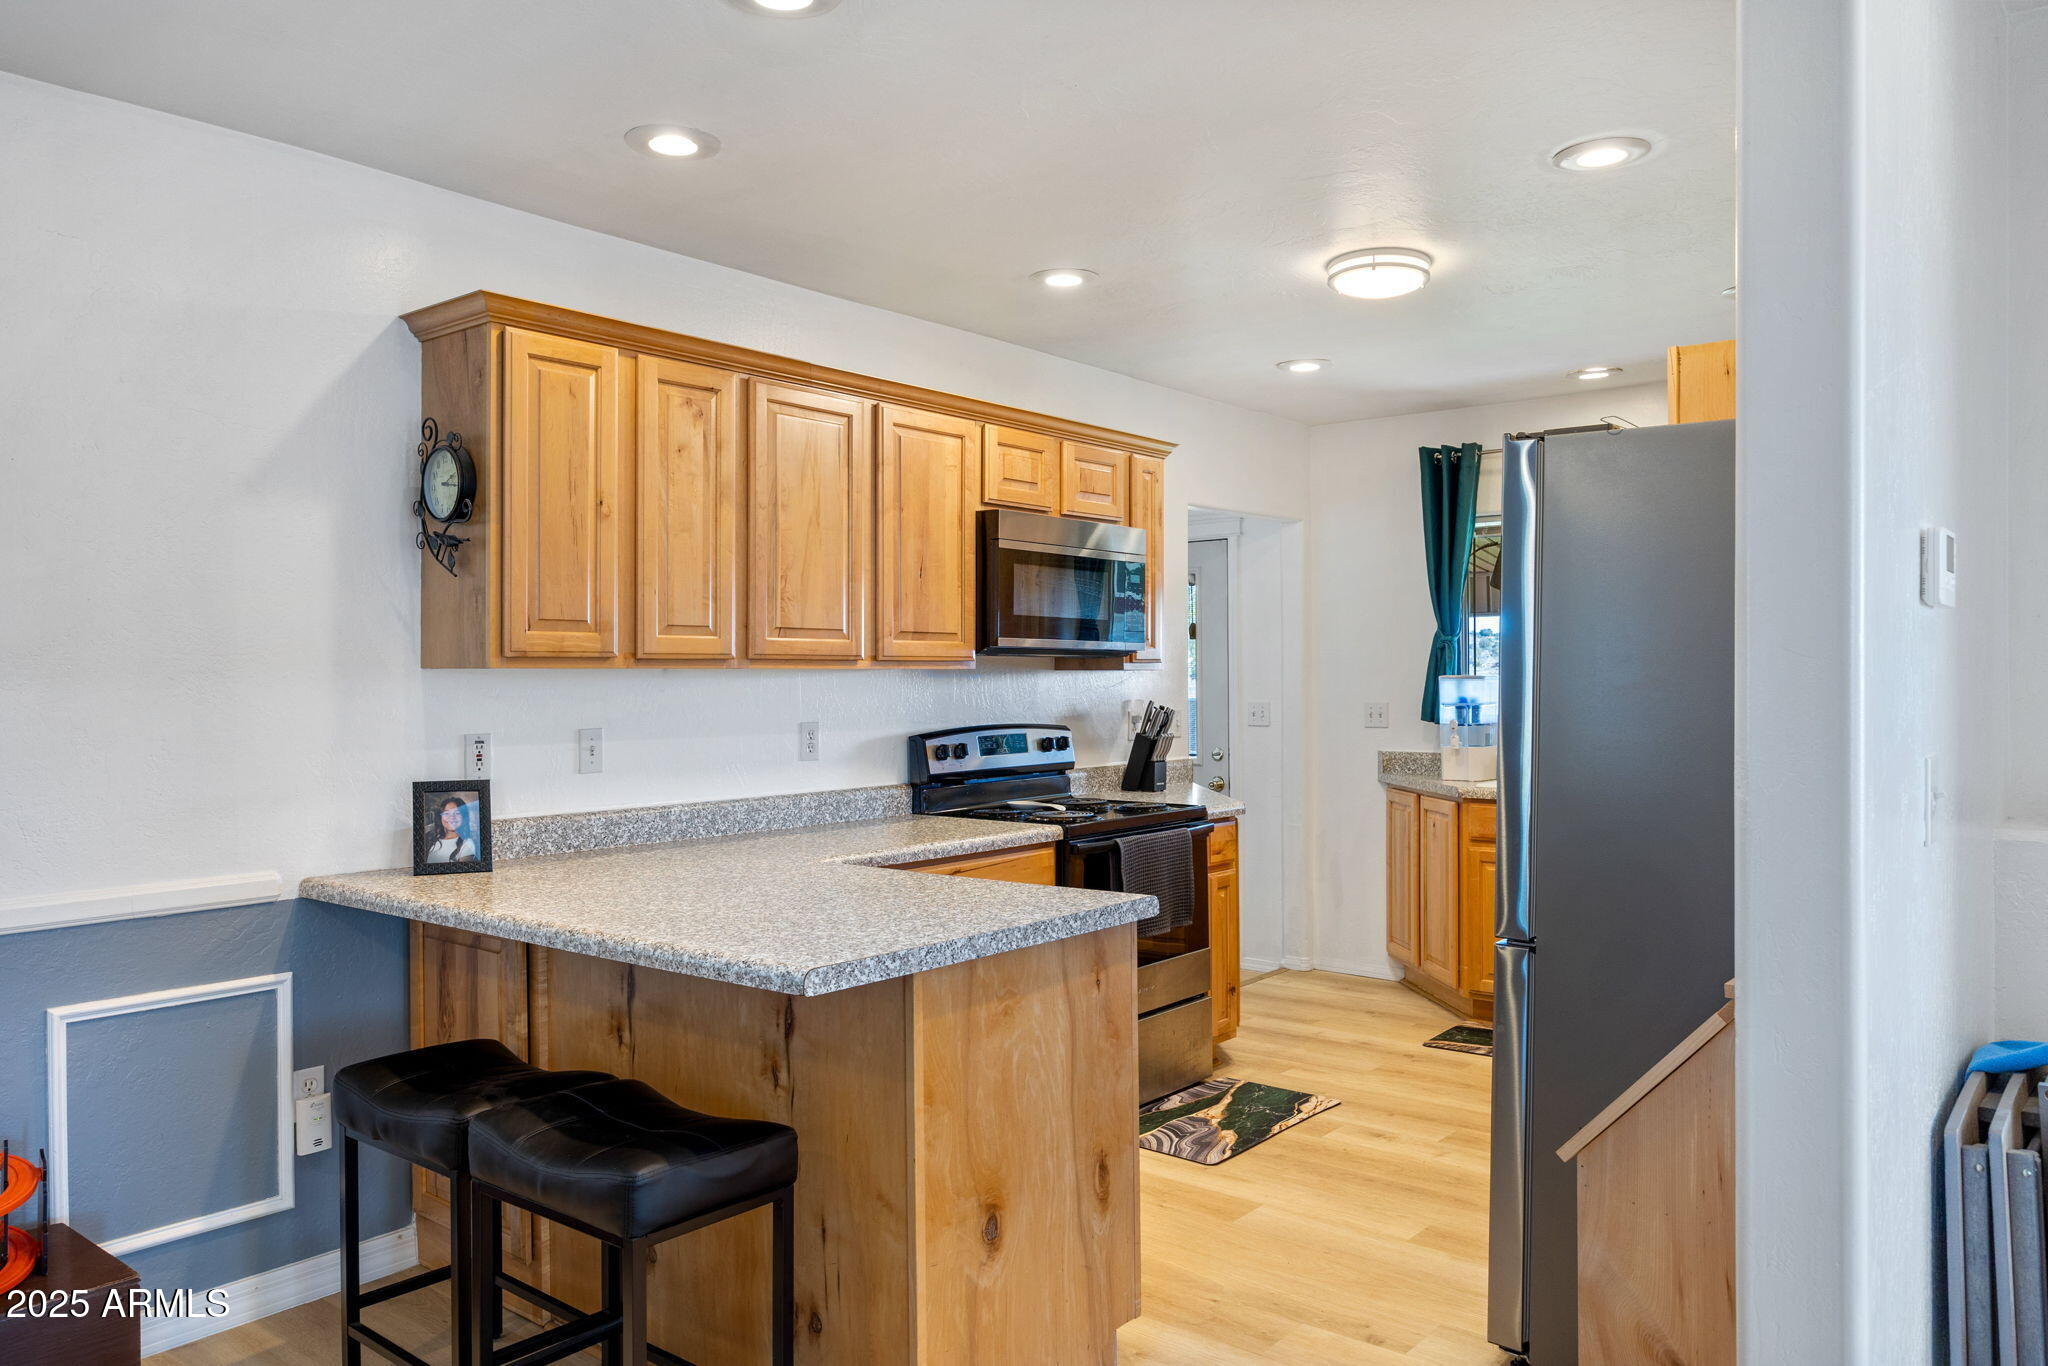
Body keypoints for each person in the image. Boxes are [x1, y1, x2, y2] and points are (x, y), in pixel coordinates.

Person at [424, 796, 479, 863]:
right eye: (446, 813)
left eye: (457, 813)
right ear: (440, 817)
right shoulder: (431, 838)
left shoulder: (467, 844)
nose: (452, 817)